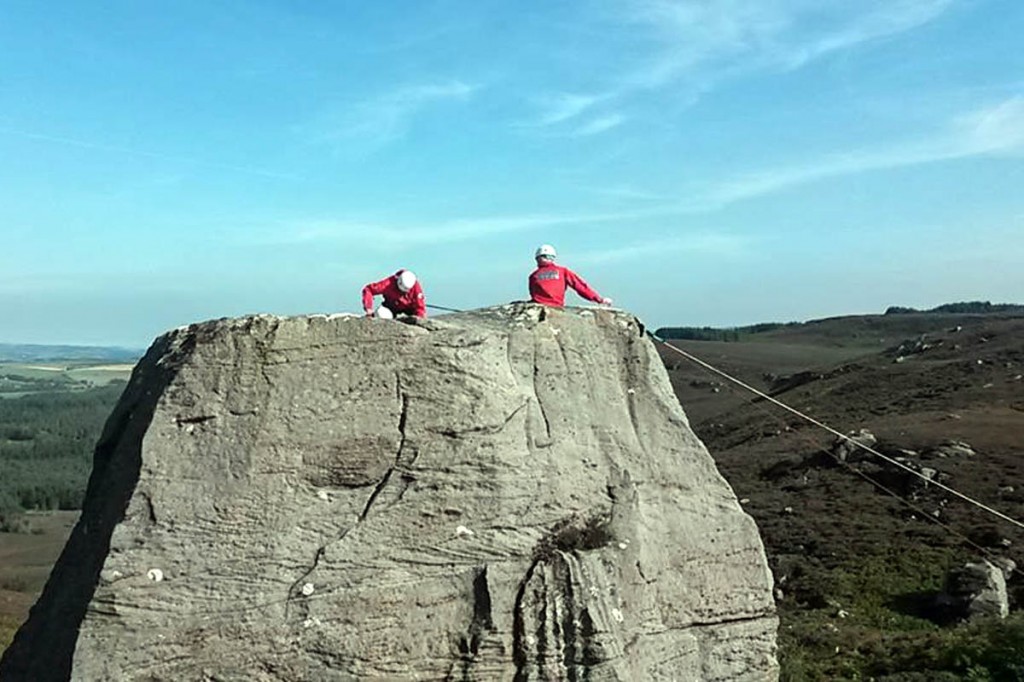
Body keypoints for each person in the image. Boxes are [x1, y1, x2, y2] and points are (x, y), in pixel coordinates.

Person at [529, 244, 613, 308]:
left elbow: (533, 294)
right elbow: (580, 287)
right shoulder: (562, 271)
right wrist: (599, 299)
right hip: (556, 306)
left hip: (538, 306)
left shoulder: (533, 276)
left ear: (537, 258)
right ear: (552, 258)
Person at [362, 269, 426, 318]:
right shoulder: (388, 284)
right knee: (381, 314)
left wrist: (419, 317)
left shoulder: (416, 288)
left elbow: (420, 307)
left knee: (418, 317)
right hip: (391, 306)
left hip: (409, 308)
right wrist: (368, 308)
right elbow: (368, 289)